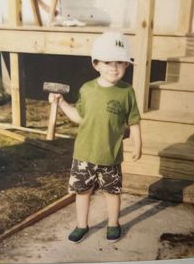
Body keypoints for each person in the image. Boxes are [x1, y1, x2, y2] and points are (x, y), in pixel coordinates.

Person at [48, 31, 142, 243]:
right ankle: (82, 225)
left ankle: (113, 223)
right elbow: (79, 118)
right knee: (82, 192)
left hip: (110, 155)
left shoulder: (127, 92)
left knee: (112, 192)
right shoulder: (87, 89)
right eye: (108, 61)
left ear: (127, 65)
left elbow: (134, 121)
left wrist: (138, 145)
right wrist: (61, 103)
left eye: (120, 62)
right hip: (84, 155)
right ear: (96, 64)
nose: (114, 67)